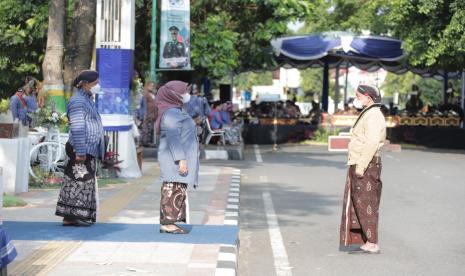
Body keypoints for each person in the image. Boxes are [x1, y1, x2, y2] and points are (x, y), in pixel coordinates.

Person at [340, 84, 386, 254]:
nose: (356, 98)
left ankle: (372, 243)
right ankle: (367, 240)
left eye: (359, 96)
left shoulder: (373, 115)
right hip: (360, 161)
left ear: (369, 97)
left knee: (367, 203)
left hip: (365, 163)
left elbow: (372, 142)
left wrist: (361, 166)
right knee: (359, 203)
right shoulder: (369, 112)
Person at [55, 70, 105, 227]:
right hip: (81, 149)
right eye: (95, 83)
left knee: (83, 182)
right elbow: (77, 126)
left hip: (88, 148)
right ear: (84, 84)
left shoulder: (88, 100)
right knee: (78, 182)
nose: (98, 85)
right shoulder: (78, 101)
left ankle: (73, 216)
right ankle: (70, 216)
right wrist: (81, 150)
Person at [155, 81, 199, 234]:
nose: (187, 94)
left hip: (177, 157)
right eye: (184, 92)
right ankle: (167, 224)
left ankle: (171, 222)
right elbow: (173, 137)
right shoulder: (171, 113)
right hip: (174, 158)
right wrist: (181, 159)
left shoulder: (176, 110)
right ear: (174, 95)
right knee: (172, 188)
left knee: (177, 188)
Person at [139, 81, 157, 146]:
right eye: (150, 86)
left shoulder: (153, 94)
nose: (152, 87)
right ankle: (145, 142)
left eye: (153, 86)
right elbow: (143, 104)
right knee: (146, 128)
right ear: (147, 86)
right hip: (147, 114)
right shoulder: (145, 94)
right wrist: (143, 114)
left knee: (151, 128)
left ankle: (149, 142)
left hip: (153, 114)